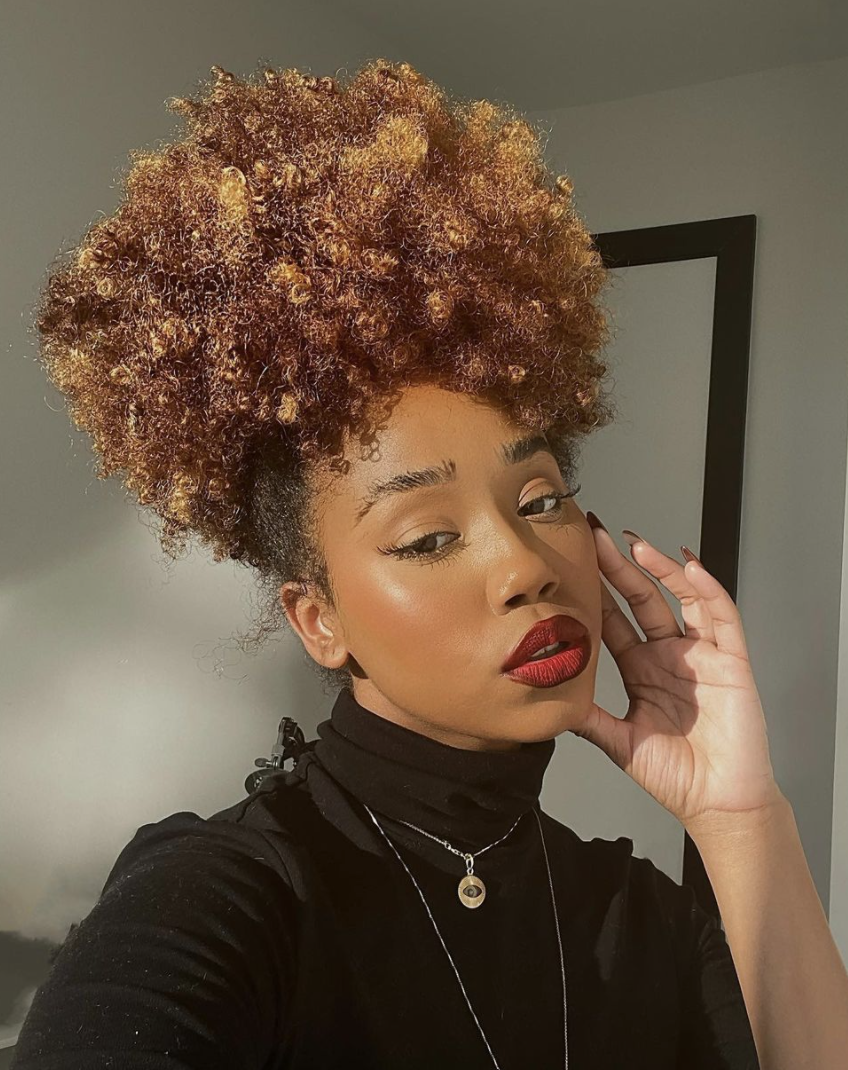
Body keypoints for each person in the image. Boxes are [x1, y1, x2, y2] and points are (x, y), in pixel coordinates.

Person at [12, 59, 765, 1068]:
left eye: (540, 500)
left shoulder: (642, 917)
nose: (523, 565)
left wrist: (740, 817)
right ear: (318, 620)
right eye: (427, 537)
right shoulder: (221, 895)